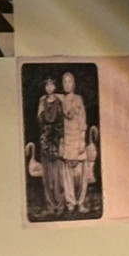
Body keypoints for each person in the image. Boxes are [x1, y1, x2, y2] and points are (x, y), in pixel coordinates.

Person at [55, 70, 92, 210]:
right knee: (67, 173)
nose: (67, 84)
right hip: (66, 138)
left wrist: (82, 140)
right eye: (64, 81)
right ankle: (70, 203)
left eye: (69, 81)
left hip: (77, 138)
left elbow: (82, 120)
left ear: (73, 84)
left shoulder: (78, 99)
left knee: (82, 173)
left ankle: (81, 202)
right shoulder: (60, 100)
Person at [35, 76, 65, 215]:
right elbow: (39, 120)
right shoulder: (42, 102)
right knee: (46, 176)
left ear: (55, 87)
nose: (49, 87)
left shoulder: (59, 102)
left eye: (51, 85)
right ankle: (50, 205)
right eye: (47, 85)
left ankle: (60, 204)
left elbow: (62, 122)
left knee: (57, 175)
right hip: (45, 140)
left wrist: (61, 141)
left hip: (56, 140)